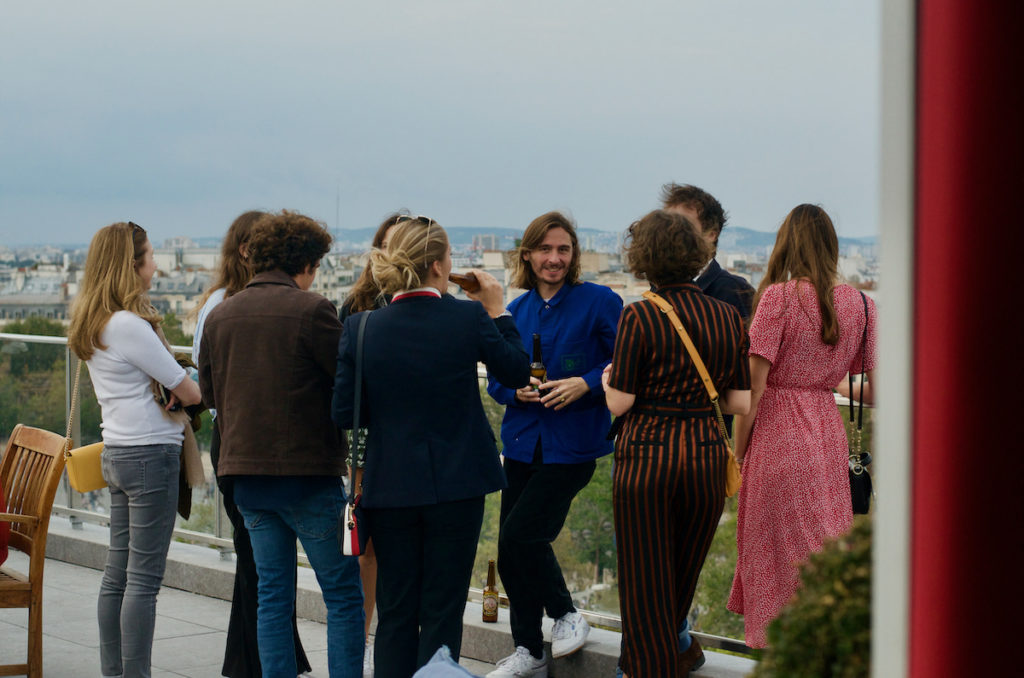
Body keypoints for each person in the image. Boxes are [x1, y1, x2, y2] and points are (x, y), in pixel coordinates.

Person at [331, 215, 530, 678]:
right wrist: (498, 309)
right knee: (442, 610)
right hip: (459, 483)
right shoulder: (465, 317)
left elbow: (345, 414)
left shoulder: (361, 327)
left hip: (390, 485)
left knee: (396, 609)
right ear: (441, 266)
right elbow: (519, 371)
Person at [198, 211, 363, 678]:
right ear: (306, 262)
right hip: (306, 476)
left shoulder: (221, 314)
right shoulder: (313, 310)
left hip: (244, 477)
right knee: (342, 594)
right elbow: (347, 387)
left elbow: (210, 393)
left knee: (272, 596)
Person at [602, 210, 751, 677]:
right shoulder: (728, 315)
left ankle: (645, 669)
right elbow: (739, 402)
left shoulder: (640, 315)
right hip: (706, 457)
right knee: (678, 584)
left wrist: (608, 379)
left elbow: (619, 404)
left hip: (649, 456)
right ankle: (675, 655)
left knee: (645, 585)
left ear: (644, 258)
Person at [726, 204, 877, 648]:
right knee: (819, 555)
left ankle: (782, 654)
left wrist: (738, 451)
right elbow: (875, 387)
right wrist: (819, 381)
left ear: (786, 243)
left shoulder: (778, 297)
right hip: (827, 437)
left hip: (777, 436)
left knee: (779, 560)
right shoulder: (862, 304)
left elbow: (753, 390)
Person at [485, 211, 622, 678]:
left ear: (574, 254)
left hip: (574, 444)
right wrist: (512, 390)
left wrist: (586, 384)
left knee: (522, 536)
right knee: (510, 552)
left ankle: (566, 614)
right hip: (522, 443)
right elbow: (496, 381)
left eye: (563, 249)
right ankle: (529, 650)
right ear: (527, 254)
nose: (554, 258)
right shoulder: (515, 312)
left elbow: (624, 361)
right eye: (545, 249)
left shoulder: (600, 301)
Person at [68, 221, 203, 678]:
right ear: (132, 265)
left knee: (117, 575)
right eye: (149, 257)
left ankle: (115, 672)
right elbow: (187, 390)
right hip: (150, 457)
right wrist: (192, 385)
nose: (155, 266)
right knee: (143, 583)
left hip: (118, 453)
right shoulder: (129, 325)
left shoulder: (94, 320)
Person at [191, 210, 311, 678]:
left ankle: (259, 659)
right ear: (249, 249)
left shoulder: (223, 302)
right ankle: (256, 661)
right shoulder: (225, 305)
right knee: (258, 561)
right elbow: (212, 383)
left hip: (239, 439)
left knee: (259, 562)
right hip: (243, 439)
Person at [337, 213, 404, 678]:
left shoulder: (356, 305)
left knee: (383, 545)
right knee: (368, 545)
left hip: (384, 431)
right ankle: (363, 639)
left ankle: (381, 640)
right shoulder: (357, 304)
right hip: (371, 436)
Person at [661, 183, 754, 319]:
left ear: (711, 234)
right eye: (665, 224)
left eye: (683, 225)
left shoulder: (735, 291)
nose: (671, 233)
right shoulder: (659, 287)